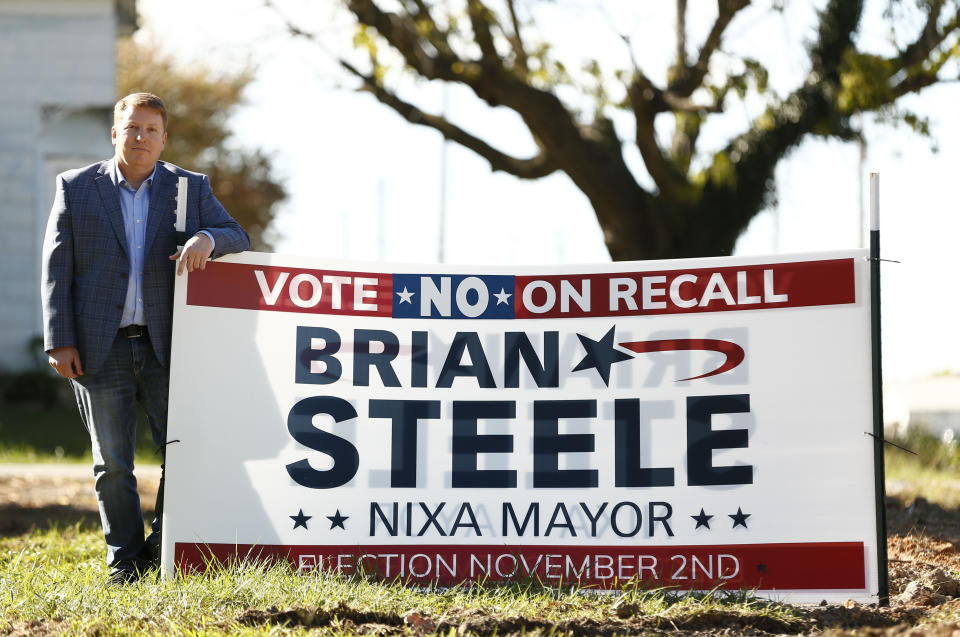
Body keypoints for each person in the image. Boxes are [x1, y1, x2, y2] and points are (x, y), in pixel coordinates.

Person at [40, 92, 250, 585]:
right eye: (132, 128)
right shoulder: (76, 187)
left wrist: (207, 239)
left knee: (181, 453)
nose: (141, 138)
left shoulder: (189, 188)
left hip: (168, 346)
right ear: (115, 133)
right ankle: (124, 562)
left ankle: (161, 548)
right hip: (98, 344)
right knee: (112, 462)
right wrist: (59, 340)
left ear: (163, 138)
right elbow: (56, 268)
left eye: (151, 130)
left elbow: (235, 232)